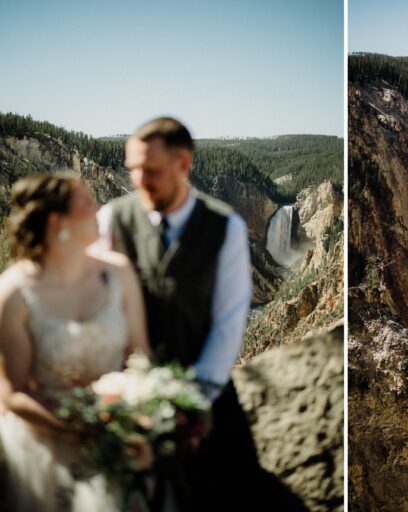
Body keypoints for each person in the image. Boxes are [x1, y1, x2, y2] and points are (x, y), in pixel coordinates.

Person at [96, 116, 305, 511]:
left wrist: (189, 403)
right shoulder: (111, 219)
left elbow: (228, 325)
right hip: (129, 392)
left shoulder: (224, 228)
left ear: (183, 164)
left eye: (151, 170)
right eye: (133, 169)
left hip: (204, 394)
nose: (139, 180)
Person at [0, 174, 151, 511]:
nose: (99, 210)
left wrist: (139, 414)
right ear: (58, 221)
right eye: (87, 202)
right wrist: (79, 429)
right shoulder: (13, 294)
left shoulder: (119, 273)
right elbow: (14, 392)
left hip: (121, 432)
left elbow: (140, 357)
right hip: (46, 446)